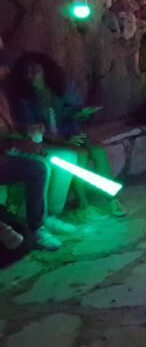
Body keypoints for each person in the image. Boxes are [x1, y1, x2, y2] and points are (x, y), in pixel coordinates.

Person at [8, 52, 126, 220]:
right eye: (26, 72)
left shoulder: (61, 87)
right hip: (49, 139)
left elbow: (75, 110)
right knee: (80, 155)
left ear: (46, 70)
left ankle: (111, 199)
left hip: (70, 131)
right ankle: (83, 206)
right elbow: (31, 129)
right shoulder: (24, 99)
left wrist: (81, 113)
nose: (30, 76)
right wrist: (62, 141)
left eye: (35, 70)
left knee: (98, 150)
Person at [0, 50, 69, 251]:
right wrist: (15, 144)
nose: (7, 73)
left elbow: (8, 128)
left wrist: (25, 130)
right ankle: (37, 227)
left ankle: (48, 218)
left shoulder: (2, 95)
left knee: (59, 157)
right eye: (3, 69)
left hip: (6, 151)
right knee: (38, 168)